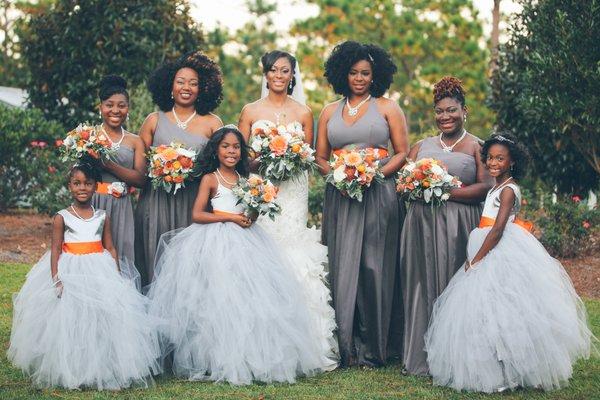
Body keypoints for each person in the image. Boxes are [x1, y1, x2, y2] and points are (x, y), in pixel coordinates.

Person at [147, 126, 327, 385]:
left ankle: (248, 357)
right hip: (215, 241)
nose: (231, 151)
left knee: (248, 298)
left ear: (241, 152)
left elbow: (251, 213)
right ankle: (216, 359)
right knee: (218, 299)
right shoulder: (210, 178)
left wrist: (254, 211)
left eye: (236, 147)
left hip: (247, 243)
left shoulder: (246, 178)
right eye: (225, 146)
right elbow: (197, 214)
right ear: (216, 150)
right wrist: (232, 217)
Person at [424, 133, 594, 392]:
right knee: (486, 311)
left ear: (512, 162)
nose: (493, 163)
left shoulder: (508, 190)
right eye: (490, 158)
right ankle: (497, 366)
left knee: (505, 309)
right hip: (486, 244)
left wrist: (476, 260)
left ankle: (513, 369)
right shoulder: (494, 186)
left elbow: (498, 230)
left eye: (500, 158)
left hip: (499, 251)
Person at [8, 163, 161, 390]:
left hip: (98, 267)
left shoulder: (102, 216)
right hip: (72, 269)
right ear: (69, 186)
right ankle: (72, 367)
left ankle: (103, 367)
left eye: (88, 184)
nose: (82, 188)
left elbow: (110, 247)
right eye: (77, 183)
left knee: (100, 319)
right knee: (72, 319)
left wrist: (116, 274)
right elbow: (56, 249)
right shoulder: (61, 217)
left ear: (94, 186)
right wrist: (56, 277)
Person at [238, 50, 338, 369]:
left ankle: (305, 343)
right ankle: (259, 343)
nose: (279, 76)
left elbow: (308, 157)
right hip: (263, 189)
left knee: (294, 252)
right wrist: (265, 155)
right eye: (273, 70)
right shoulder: (250, 111)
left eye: (285, 71)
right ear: (265, 74)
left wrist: (292, 155)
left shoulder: (305, 112)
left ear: (293, 75)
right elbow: (241, 158)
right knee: (265, 253)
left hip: (293, 191)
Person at [316, 41, 409, 367]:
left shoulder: (388, 108)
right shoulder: (329, 111)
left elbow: (401, 153)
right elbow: (321, 157)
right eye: (353, 72)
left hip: (379, 193)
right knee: (341, 265)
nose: (359, 78)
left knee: (374, 265)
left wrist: (374, 174)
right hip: (341, 196)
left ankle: (376, 346)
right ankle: (347, 347)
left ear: (376, 75)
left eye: (366, 73)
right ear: (343, 74)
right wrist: (341, 177)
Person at [400, 76, 493, 375]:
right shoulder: (420, 147)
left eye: (451, 110)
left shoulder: (478, 146)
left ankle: (456, 357)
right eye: (440, 111)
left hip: (458, 225)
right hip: (420, 225)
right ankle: (420, 357)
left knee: (455, 285)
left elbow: (485, 187)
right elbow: (402, 183)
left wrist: (444, 191)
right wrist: (415, 185)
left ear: (464, 110)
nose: (445, 116)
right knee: (420, 284)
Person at [134, 51, 224, 286]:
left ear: (203, 88)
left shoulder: (213, 123)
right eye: (181, 81)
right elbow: (140, 167)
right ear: (169, 85)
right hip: (157, 202)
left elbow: (220, 167)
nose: (187, 87)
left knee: (190, 266)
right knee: (156, 260)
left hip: (193, 202)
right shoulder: (153, 120)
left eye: (193, 83)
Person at [92, 75, 146, 263]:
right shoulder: (88, 136)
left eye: (121, 105)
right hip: (93, 202)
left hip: (122, 205)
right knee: (93, 250)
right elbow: (75, 175)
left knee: (121, 251)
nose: (115, 110)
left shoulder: (135, 141)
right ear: (101, 107)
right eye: (109, 105)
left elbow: (140, 179)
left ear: (127, 109)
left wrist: (108, 165)